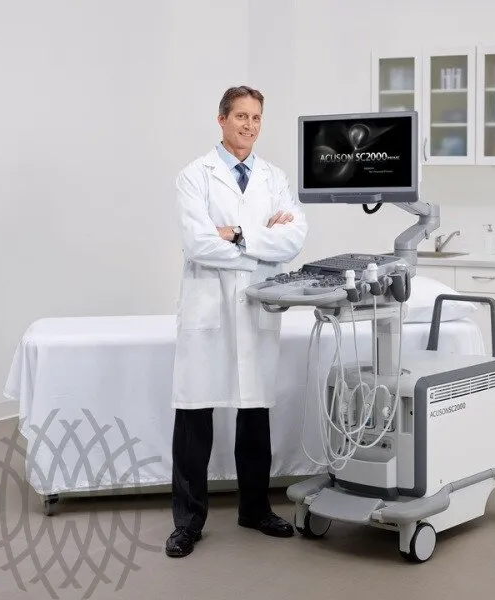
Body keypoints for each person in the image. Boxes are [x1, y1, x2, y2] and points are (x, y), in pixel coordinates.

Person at [165, 85, 308, 558]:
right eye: (241, 116)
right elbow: (197, 243)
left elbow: (294, 239)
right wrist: (261, 244)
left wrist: (238, 234)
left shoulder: (274, 178)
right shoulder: (195, 176)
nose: (249, 125)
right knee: (195, 414)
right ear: (222, 119)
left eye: (257, 117)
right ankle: (187, 523)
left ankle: (255, 509)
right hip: (207, 306)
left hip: (253, 305)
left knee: (254, 412)